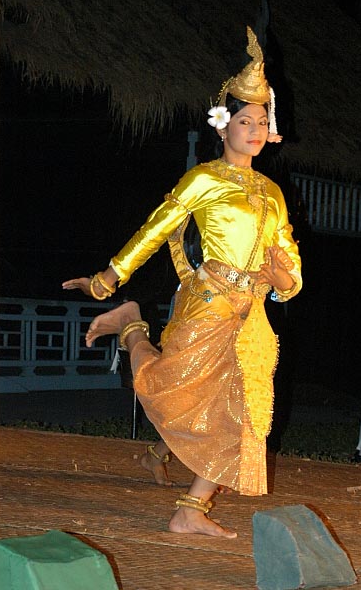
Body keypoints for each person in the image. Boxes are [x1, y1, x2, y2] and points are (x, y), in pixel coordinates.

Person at [62, 27, 302, 539]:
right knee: (175, 394)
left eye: (262, 121)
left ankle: (191, 507)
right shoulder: (204, 179)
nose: (254, 129)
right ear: (223, 126)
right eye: (244, 120)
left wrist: (284, 280)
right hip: (209, 301)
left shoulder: (274, 192)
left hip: (252, 314)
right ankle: (130, 326)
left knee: (244, 415)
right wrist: (106, 280)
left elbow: (290, 265)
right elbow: (155, 230)